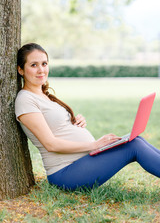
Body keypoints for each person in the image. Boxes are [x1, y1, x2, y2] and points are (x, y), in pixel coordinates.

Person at [15, 43, 160, 191]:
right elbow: (51, 144)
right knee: (134, 146)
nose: (41, 70)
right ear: (21, 70)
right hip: (65, 173)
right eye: (34, 65)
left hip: (82, 162)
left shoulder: (44, 96)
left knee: (136, 140)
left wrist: (74, 121)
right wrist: (95, 144)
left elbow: (57, 126)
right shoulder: (25, 99)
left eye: (44, 64)